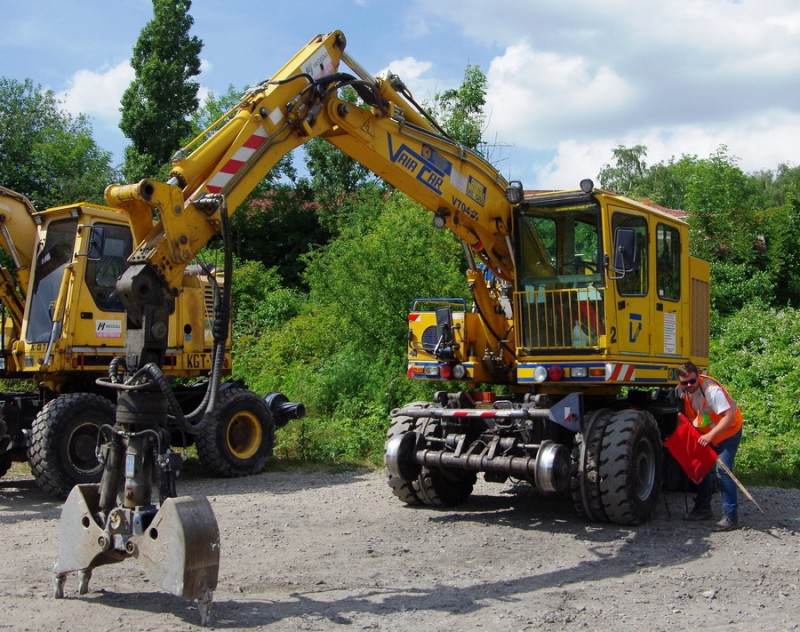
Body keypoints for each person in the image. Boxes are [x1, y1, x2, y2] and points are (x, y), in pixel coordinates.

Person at [677, 361, 744, 531]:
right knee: (702, 467)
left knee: (723, 471)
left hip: (728, 432)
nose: (689, 386)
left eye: (692, 381)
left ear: (698, 376)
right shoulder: (681, 391)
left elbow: (728, 417)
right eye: (684, 383)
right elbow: (687, 414)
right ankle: (703, 509)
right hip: (707, 434)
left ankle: (731, 517)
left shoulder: (711, 391)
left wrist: (710, 435)